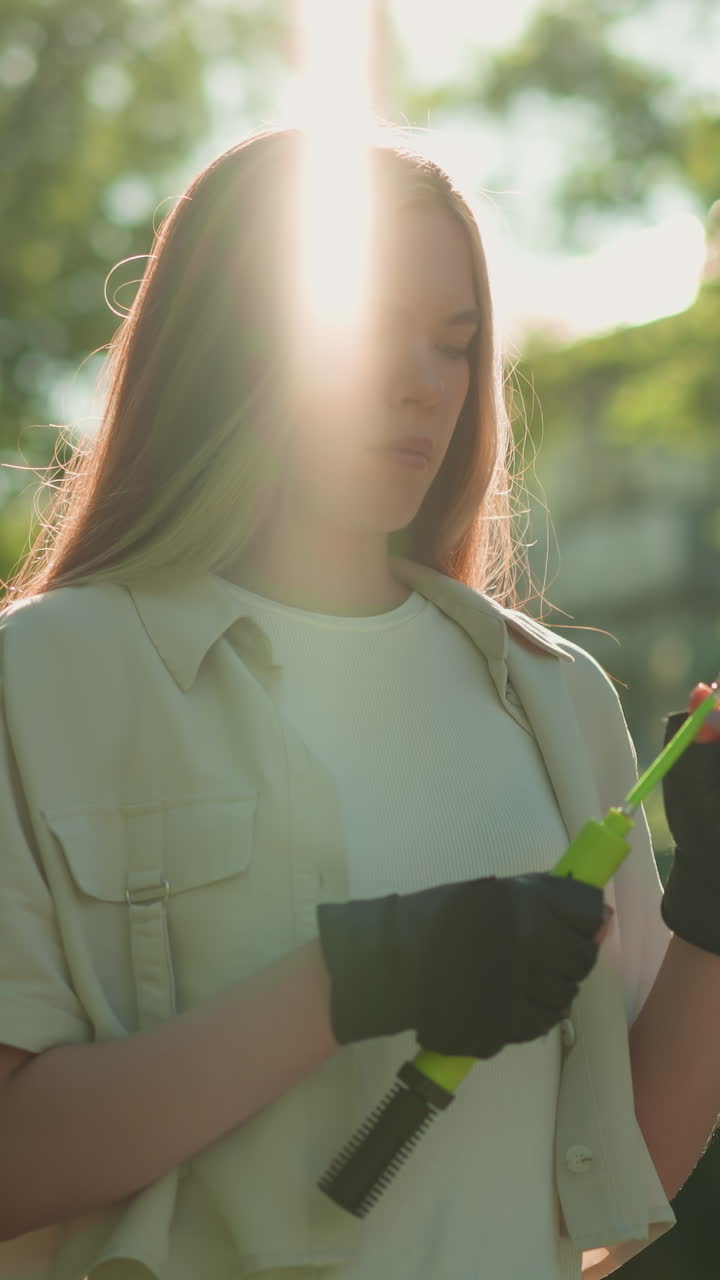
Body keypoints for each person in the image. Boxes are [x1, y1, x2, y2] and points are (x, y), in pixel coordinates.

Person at [0, 125, 719, 1280]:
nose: (420, 384)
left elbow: (608, 1180)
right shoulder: (41, 679)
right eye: (370, 331)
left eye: (454, 343)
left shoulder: (554, 697)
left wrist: (714, 914)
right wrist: (360, 976)